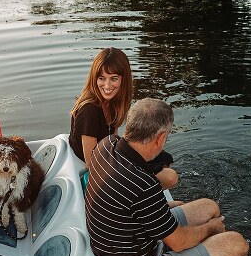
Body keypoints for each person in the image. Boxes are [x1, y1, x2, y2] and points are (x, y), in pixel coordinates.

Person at [85, 98, 249, 256]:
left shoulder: (106, 145)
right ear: (160, 138)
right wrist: (211, 229)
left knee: (209, 207)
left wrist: (161, 209)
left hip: (122, 251)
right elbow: (180, 242)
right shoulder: (143, 184)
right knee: (237, 245)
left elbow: (125, 203)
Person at [68, 47, 177, 189]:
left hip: (108, 155)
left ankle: (150, 194)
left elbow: (113, 139)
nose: (107, 85)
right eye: (101, 78)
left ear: (123, 80)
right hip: (99, 165)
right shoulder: (89, 110)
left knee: (165, 159)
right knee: (170, 178)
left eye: (114, 79)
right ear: (94, 78)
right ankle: (147, 197)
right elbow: (91, 163)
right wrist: (132, 170)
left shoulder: (115, 102)